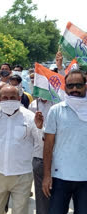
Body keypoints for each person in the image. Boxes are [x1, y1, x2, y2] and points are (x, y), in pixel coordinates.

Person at [0, 85, 43, 214]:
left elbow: (40, 145)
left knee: (20, 211)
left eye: (12, 98)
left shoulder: (30, 117)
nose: (8, 100)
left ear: (19, 98)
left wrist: (40, 128)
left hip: (22, 175)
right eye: (5, 98)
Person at [43, 70, 87, 213]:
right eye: (70, 85)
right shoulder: (56, 111)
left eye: (79, 85)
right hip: (60, 177)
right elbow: (48, 146)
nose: (74, 89)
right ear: (65, 87)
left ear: (85, 86)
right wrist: (47, 175)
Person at [28, 98, 53, 214]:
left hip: (58, 158)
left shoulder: (58, 104)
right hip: (39, 156)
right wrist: (39, 128)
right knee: (42, 197)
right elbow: (31, 132)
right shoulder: (34, 105)